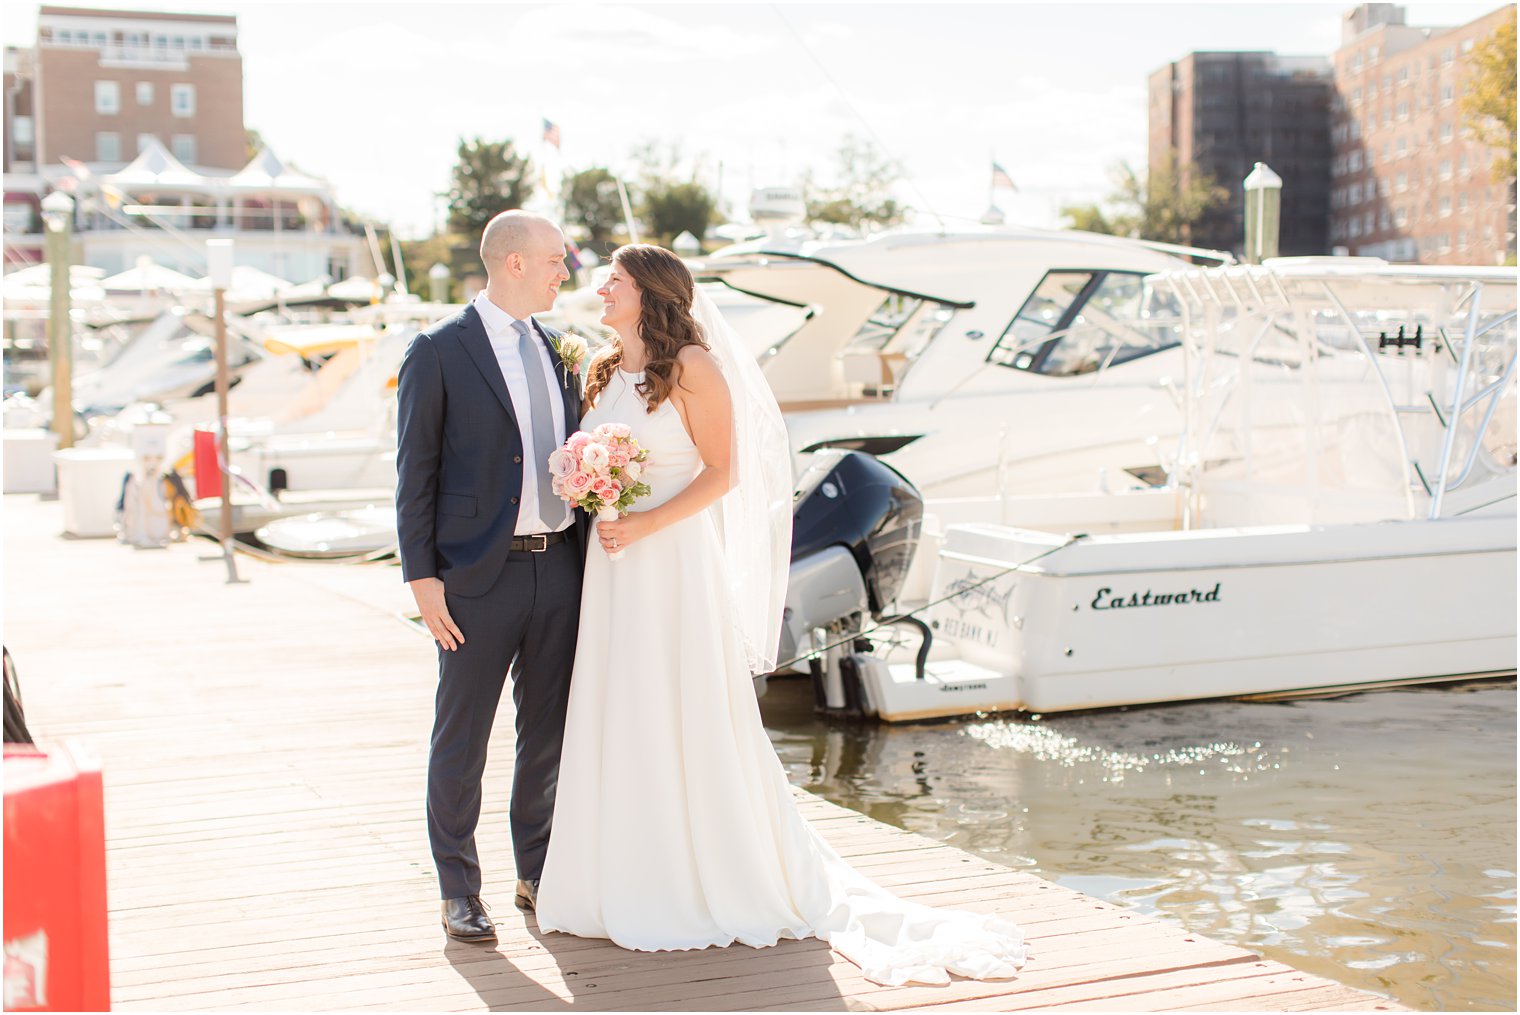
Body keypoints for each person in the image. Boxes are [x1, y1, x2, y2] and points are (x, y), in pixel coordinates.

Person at [534, 245, 1028, 986]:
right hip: (614, 565)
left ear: (650, 294)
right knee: (618, 703)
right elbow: (601, 455)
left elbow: (724, 472)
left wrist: (645, 521)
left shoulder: (694, 367)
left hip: (669, 558)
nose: (600, 287)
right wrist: (592, 486)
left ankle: (691, 875)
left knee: (678, 704)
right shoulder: (602, 369)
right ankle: (612, 874)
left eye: (616, 279)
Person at [395, 210, 585, 942]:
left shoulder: (558, 349)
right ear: (512, 262)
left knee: (547, 734)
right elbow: (417, 473)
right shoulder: (438, 351)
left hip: (560, 569)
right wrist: (423, 580)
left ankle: (535, 871)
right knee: (462, 735)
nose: (562, 271)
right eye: (553, 261)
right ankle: (457, 888)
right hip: (475, 578)